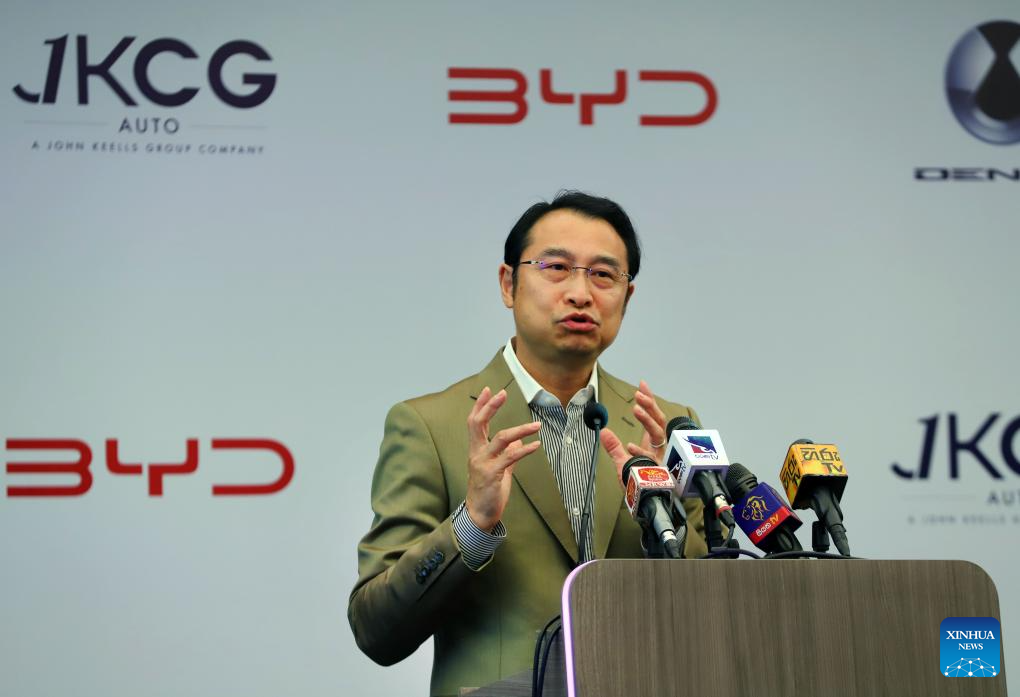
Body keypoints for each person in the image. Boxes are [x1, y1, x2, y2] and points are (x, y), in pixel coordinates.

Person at [348, 191, 707, 697]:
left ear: (626, 298)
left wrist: (660, 519)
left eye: (603, 275)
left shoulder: (664, 426)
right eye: (556, 268)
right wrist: (471, 524)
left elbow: (710, 608)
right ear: (508, 284)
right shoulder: (431, 424)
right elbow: (376, 629)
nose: (580, 293)